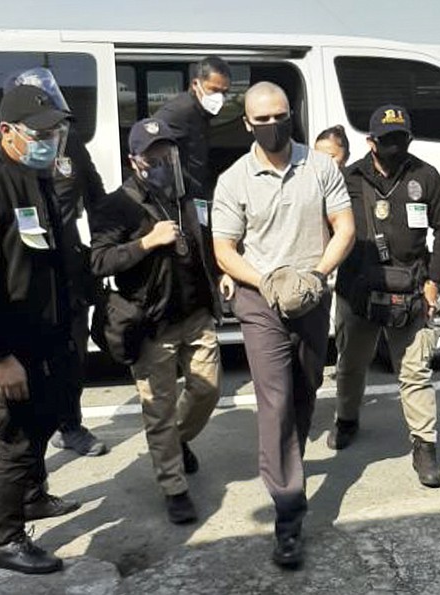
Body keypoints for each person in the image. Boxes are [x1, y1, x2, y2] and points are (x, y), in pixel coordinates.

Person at [212, 81, 355, 569]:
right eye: (262, 119)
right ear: (247, 124)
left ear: (290, 115)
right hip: (259, 299)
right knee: (274, 402)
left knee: (305, 389)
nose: (273, 125)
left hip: (311, 297)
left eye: (280, 116)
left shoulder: (320, 168)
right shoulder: (233, 179)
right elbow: (225, 250)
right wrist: (266, 281)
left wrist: (316, 275)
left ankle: (288, 462)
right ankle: (289, 512)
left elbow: (346, 228)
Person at [0, 84, 81, 574]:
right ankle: (4, 539)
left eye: (56, 130)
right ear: (7, 132)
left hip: (38, 337)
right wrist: (0, 356)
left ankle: (32, 499)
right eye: (41, 132)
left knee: (42, 420)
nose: (51, 139)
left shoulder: (34, 175)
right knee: (17, 437)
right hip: (1, 345)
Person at [0, 67, 108, 459]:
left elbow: (98, 200)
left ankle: (71, 425)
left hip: (66, 268)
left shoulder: (70, 146)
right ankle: (29, 475)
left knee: (72, 355)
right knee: (26, 403)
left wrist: (106, 246)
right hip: (27, 276)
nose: (49, 136)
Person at [89, 117, 224, 525]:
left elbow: (210, 242)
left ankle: (177, 440)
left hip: (196, 314)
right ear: (136, 161)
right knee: (158, 409)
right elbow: (98, 260)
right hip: (152, 323)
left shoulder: (190, 195)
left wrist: (223, 277)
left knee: (208, 390)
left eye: (168, 152)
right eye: (154, 156)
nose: (164, 160)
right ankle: (173, 486)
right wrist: (146, 242)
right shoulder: (117, 205)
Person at [329, 105, 440, 489]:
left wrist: (435, 279)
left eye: (401, 138)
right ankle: (346, 419)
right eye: (387, 141)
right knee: (351, 365)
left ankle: (425, 446)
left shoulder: (425, 176)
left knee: (415, 373)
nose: (395, 146)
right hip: (358, 290)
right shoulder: (349, 179)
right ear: (370, 143)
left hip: (411, 290)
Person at [152, 56, 231, 202]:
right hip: (177, 198)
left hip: (193, 193)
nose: (219, 98)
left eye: (224, 93)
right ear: (196, 84)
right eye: (213, 90)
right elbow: (150, 144)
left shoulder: (201, 112)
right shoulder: (181, 111)